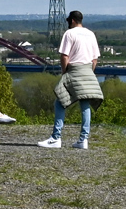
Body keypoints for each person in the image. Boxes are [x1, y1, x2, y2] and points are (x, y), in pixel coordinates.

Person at [38, 10, 104, 149]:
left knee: (60, 101)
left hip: (73, 70)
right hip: (88, 70)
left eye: (69, 21)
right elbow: (95, 58)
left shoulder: (70, 33)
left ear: (72, 21)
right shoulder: (91, 34)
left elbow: (64, 56)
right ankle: (83, 139)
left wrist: (64, 72)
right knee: (85, 104)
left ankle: (56, 138)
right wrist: (90, 72)